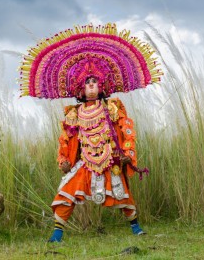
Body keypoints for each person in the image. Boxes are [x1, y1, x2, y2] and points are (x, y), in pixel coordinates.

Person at [18, 23, 162, 243]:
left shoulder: (113, 107)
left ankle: (135, 227)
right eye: (87, 83)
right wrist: (64, 161)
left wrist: (127, 154)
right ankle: (57, 234)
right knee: (66, 192)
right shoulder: (74, 114)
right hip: (85, 162)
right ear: (81, 88)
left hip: (110, 160)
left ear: (102, 85)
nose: (92, 85)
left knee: (123, 196)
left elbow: (127, 131)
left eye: (95, 82)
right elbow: (64, 141)